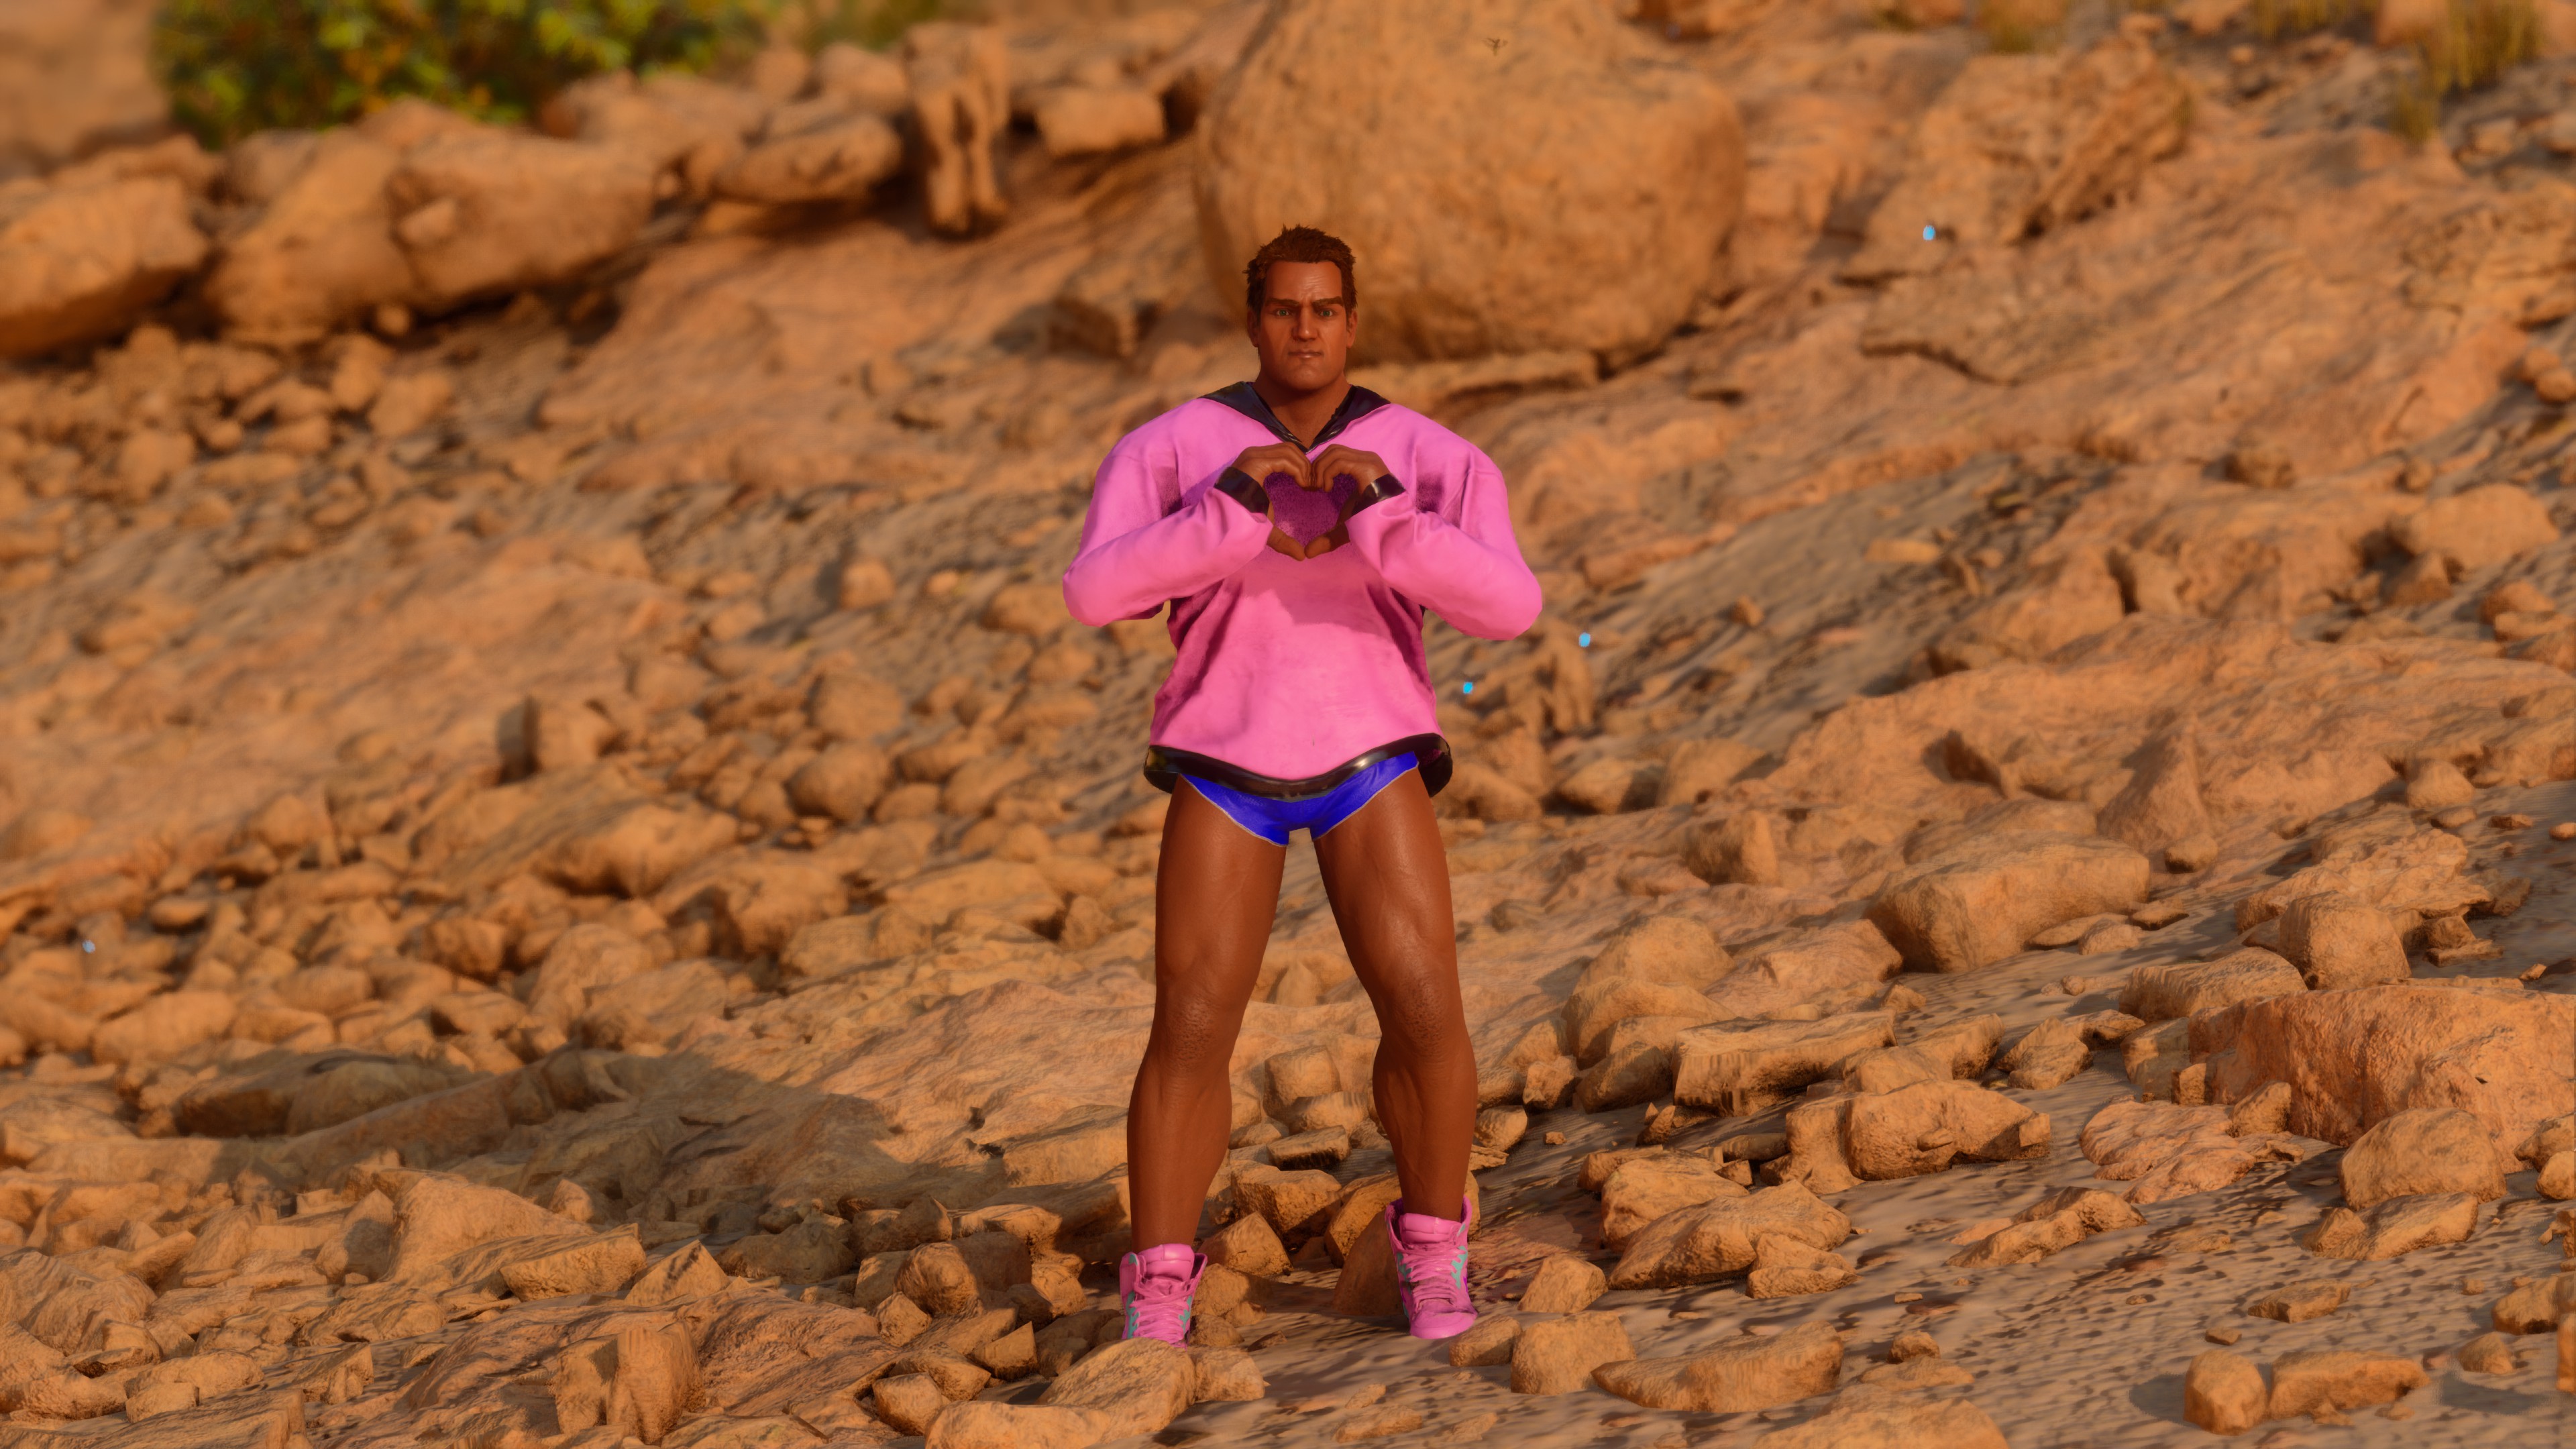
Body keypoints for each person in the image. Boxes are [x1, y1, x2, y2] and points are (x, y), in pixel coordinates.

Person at [1061, 226, 1544, 1345]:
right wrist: (1231, 505)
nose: (1307, 328)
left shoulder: (1425, 451)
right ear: (1254, 320)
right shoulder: (1175, 446)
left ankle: (1434, 1250)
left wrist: (1384, 514)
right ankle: (1161, 1284)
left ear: (1354, 321)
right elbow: (1094, 591)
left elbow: (1509, 607)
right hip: (1225, 758)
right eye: (1285, 309)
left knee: (1422, 1003)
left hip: (1371, 752)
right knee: (1191, 1023)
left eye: (1326, 309)